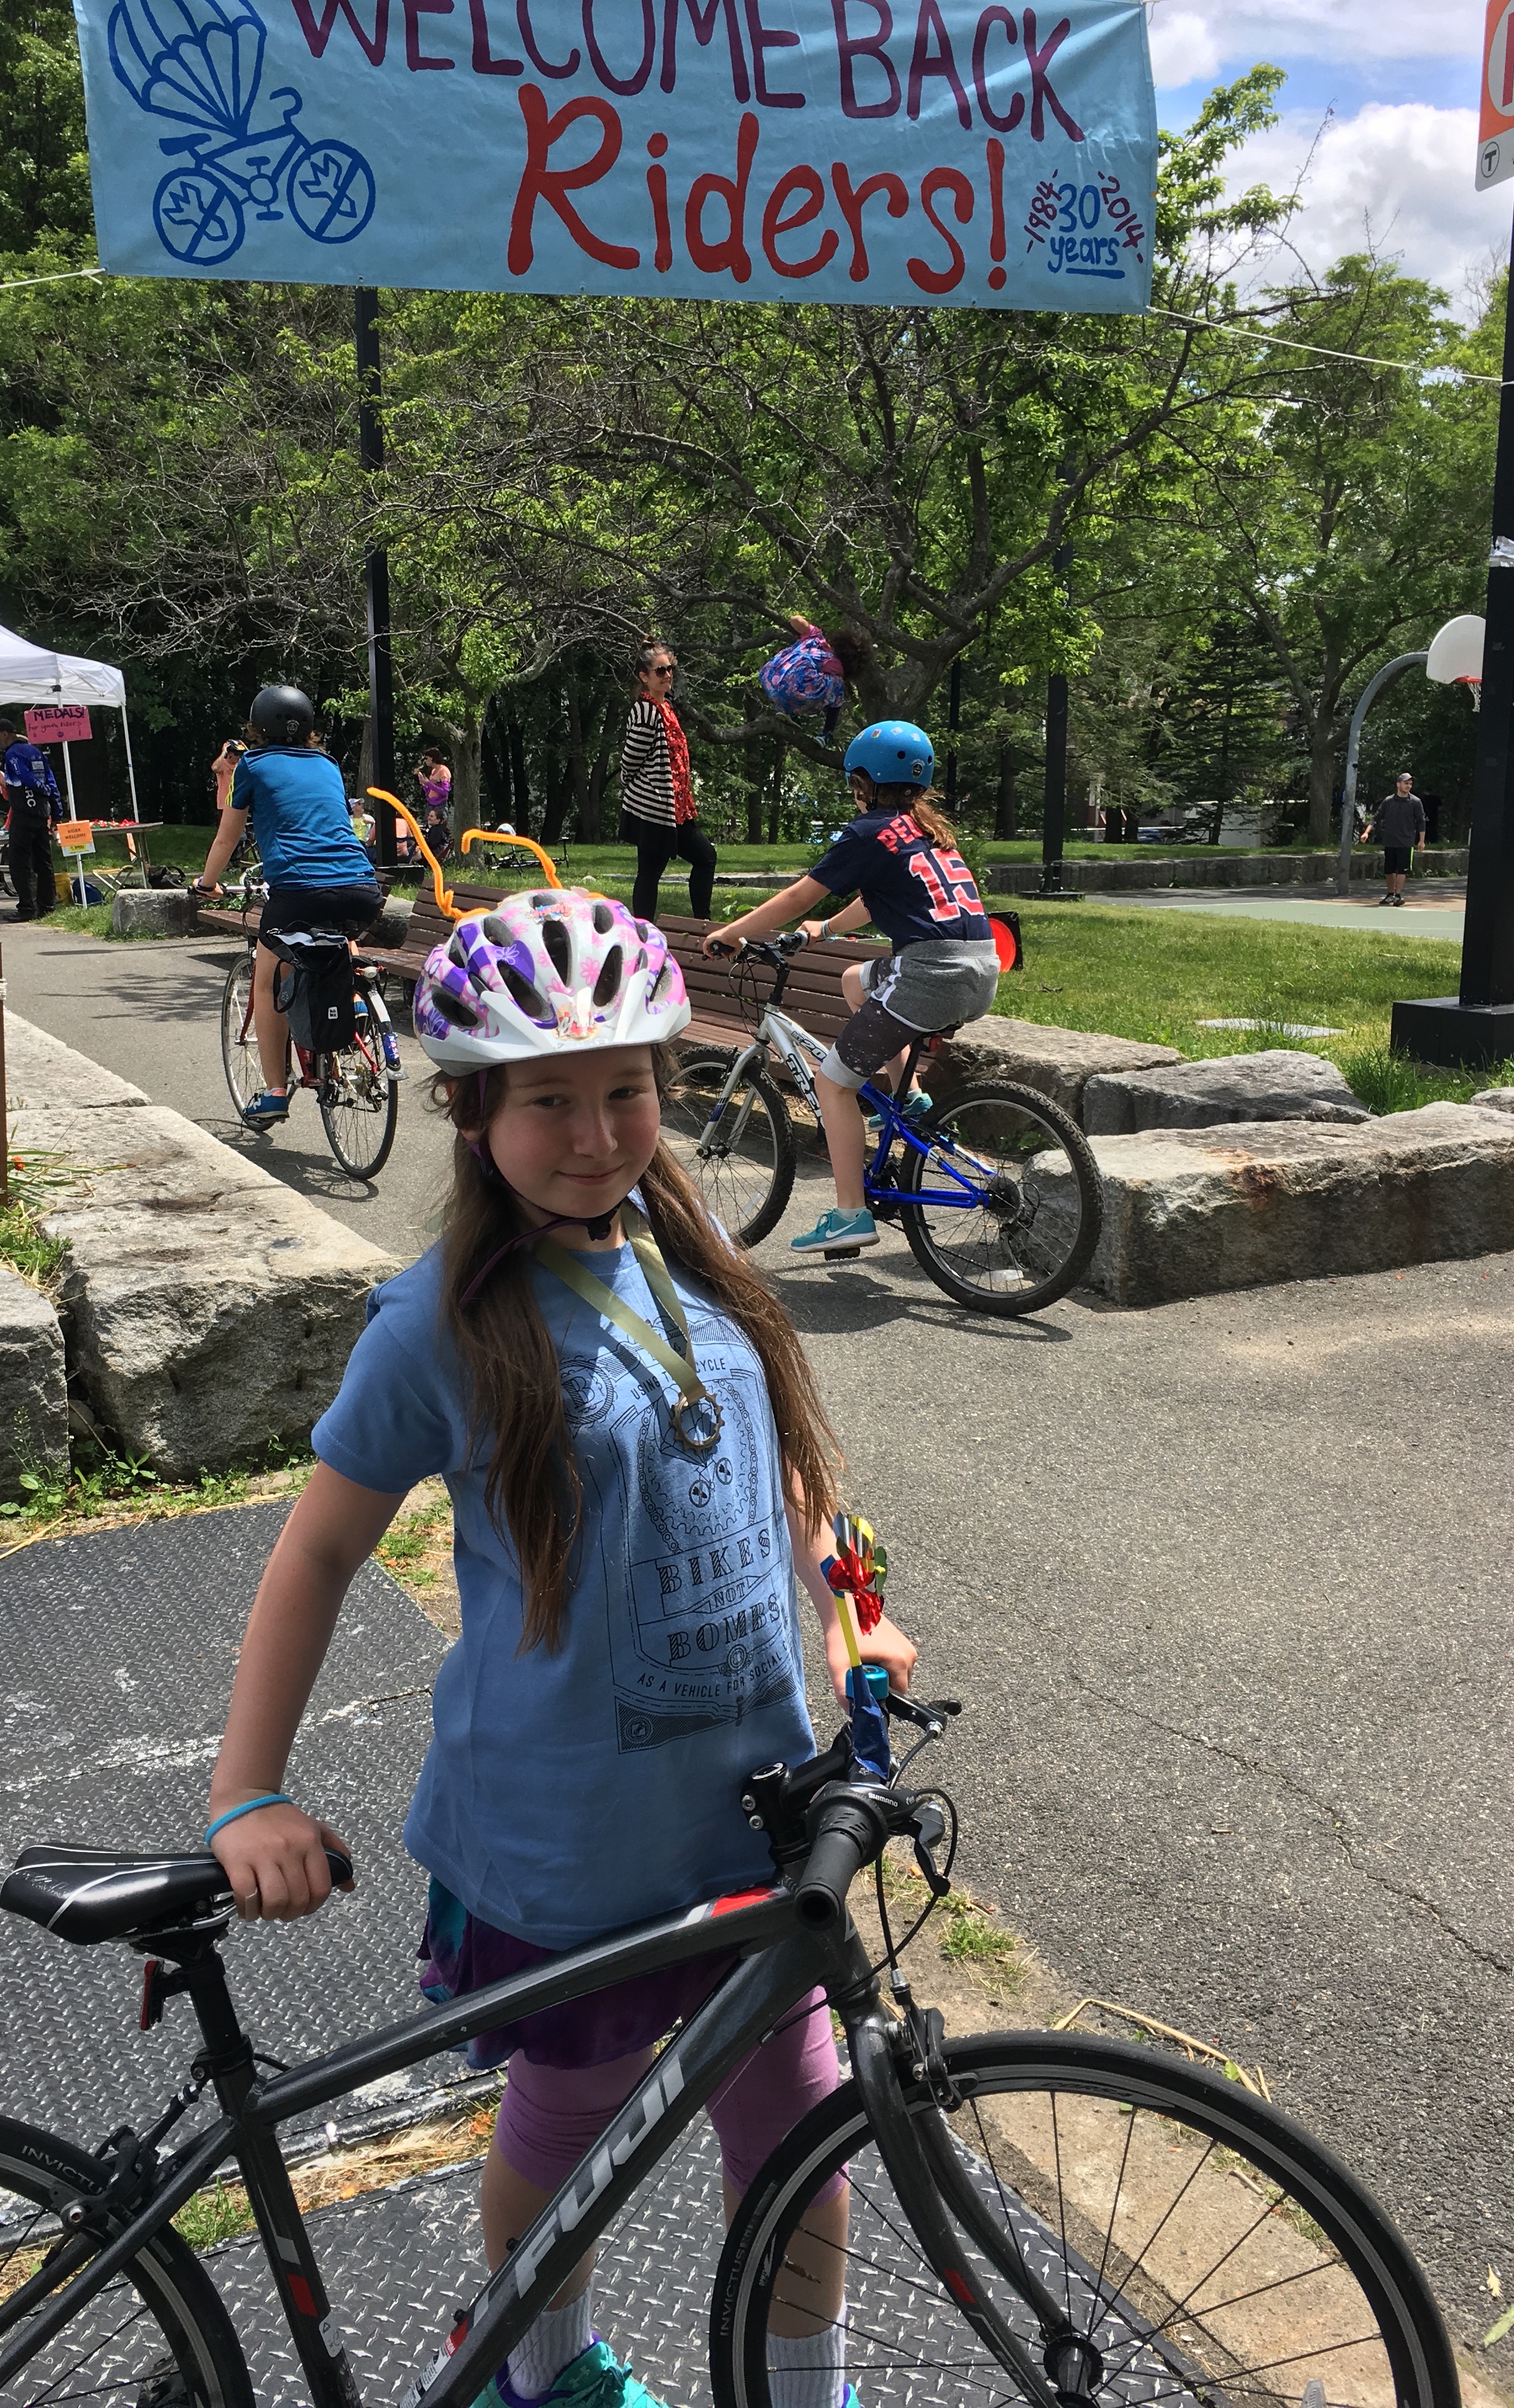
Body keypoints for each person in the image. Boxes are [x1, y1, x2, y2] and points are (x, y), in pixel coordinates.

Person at [205, 887, 916, 2408]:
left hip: (751, 1813)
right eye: (549, 1101)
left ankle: (805, 2390)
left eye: (626, 1090)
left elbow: (782, 1460)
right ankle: (546, 2370)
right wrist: (247, 1789)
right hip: (567, 1840)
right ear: (470, 1113)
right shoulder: (439, 1327)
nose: (597, 1133)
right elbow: (320, 1550)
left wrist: (852, 1598)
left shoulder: (693, 1248)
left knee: (797, 2142)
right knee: (569, 2135)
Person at [705, 721, 999, 1257]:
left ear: (863, 780)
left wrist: (731, 933)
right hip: (979, 968)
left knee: (833, 1085)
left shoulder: (868, 832)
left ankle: (848, 1216)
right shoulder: (923, 833)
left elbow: (798, 896)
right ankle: (910, 1100)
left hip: (928, 976)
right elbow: (874, 900)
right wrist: (828, 930)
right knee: (853, 981)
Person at [193, 685, 382, 1128]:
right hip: (362, 886)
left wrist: (207, 884)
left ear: (256, 728)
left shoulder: (252, 766)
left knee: (266, 983)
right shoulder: (329, 765)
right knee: (340, 936)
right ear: (311, 729)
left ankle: (276, 1092)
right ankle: (353, 997)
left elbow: (227, 836)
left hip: (299, 890)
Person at [621, 640, 716, 922]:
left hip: (678, 808)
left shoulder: (667, 707)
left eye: (670, 669)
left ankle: (702, 923)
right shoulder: (646, 712)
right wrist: (643, 791)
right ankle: (643, 933)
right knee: (650, 873)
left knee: (705, 857)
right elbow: (630, 762)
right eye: (660, 671)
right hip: (654, 810)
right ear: (644, 676)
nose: (667, 675)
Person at [0, 719, 65, 921]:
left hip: (23, 813)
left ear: (5, 734)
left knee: (19, 862)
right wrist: (56, 812)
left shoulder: (13, 754)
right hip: (41, 814)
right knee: (44, 861)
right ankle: (47, 906)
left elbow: (25, 778)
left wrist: (40, 789)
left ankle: (27, 908)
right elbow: (52, 782)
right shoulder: (36, 753)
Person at [1359, 770, 1426, 907]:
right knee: (1389, 870)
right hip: (1390, 841)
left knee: (1402, 870)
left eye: (1410, 784)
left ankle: (1398, 896)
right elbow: (1376, 818)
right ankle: (1390, 895)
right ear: (1398, 784)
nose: (1408, 786)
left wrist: (1421, 840)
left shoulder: (1415, 802)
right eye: (1406, 783)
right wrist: (1367, 832)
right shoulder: (1389, 801)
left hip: (1406, 842)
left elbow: (1421, 821)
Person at [416, 744, 454, 858]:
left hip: (440, 804)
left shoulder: (443, 771)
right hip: (431, 803)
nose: (425, 761)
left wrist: (428, 783)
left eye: (426, 758)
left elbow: (445, 791)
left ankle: (441, 852)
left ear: (433, 758)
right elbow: (430, 790)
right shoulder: (433, 772)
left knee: (439, 829)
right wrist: (424, 784)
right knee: (428, 827)